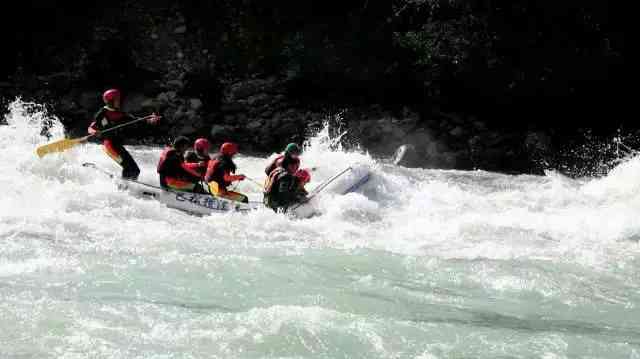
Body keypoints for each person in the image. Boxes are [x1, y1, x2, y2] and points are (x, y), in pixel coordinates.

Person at [88, 89, 160, 180]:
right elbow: (91, 128)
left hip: (117, 145)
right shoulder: (102, 114)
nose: (119, 101)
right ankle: (124, 186)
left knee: (135, 170)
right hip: (109, 146)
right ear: (111, 101)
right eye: (117, 100)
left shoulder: (120, 113)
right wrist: (94, 132)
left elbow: (136, 121)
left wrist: (149, 121)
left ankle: (128, 185)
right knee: (131, 169)